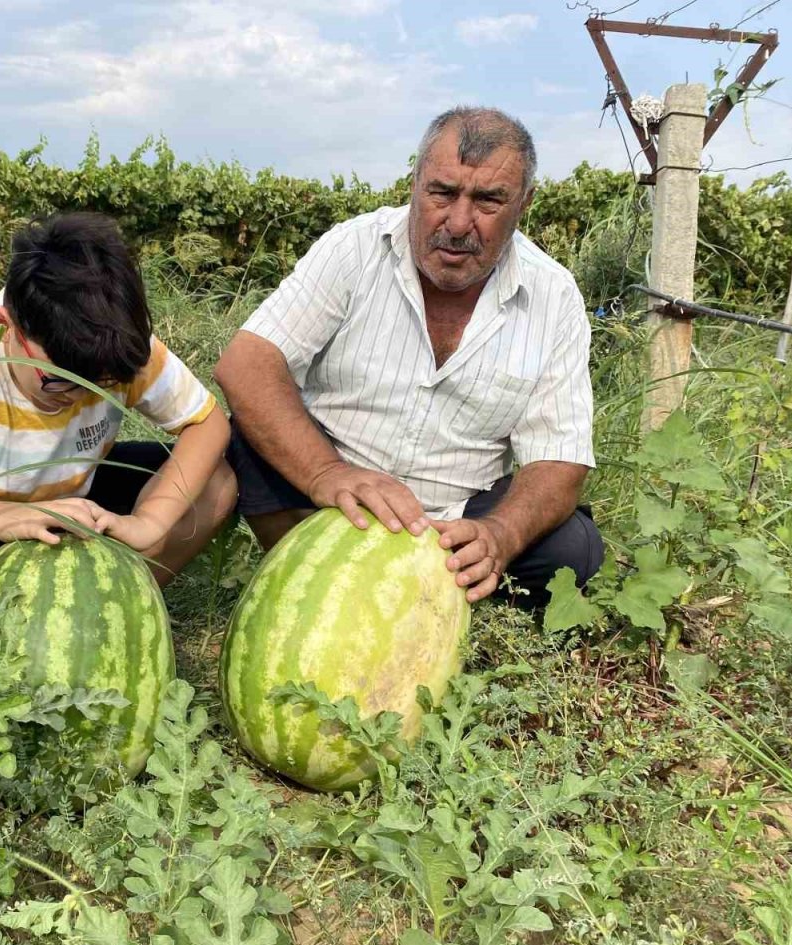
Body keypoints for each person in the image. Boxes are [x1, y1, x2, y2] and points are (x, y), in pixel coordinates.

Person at [214, 107, 602, 608]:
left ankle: (429, 583)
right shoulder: (355, 248)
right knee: (248, 431)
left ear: (524, 203)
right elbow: (246, 363)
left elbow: (559, 457)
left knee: (574, 548)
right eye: (442, 192)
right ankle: (313, 571)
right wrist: (327, 475)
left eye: (488, 200)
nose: (459, 223)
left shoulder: (554, 295)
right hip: (326, 500)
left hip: (455, 523)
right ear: (414, 182)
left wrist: (500, 535)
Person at [0, 211, 237, 588]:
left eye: (102, 385)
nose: (79, 398)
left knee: (214, 483)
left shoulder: (118, 346)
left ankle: (123, 603)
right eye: (59, 381)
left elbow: (207, 423)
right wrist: (2, 519)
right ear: (7, 328)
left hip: (76, 505)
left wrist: (149, 522)